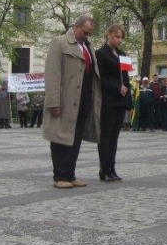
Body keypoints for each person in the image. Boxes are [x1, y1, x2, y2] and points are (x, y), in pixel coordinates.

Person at [42, 15, 101, 189]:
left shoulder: (88, 47)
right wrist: (54, 102)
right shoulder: (59, 42)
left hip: (83, 98)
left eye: (90, 33)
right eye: (85, 32)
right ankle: (59, 175)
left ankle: (70, 174)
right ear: (76, 27)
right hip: (65, 99)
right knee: (60, 136)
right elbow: (52, 74)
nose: (87, 36)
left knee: (75, 137)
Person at [95, 24, 131, 181]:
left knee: (115, 136)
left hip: (120, 101)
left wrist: (128, 99)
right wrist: (117, 87)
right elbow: (101, 78)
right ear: (109, 35)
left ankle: (112, 168)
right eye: (117, 37)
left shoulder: (123, 54)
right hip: (108, 99)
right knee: (106, 135)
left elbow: (126, 78)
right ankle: (104, 168)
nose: (119, 40)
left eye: (121, 37)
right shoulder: (100, 53)